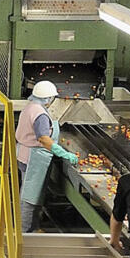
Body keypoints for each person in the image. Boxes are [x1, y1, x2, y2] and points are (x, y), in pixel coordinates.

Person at [15, 80, 79, 233]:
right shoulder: (40, 114)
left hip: (25, 154)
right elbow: (43, 139)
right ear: (48, 98)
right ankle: (25, 233)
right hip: (34, 158)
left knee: (30, 193)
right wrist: (63, 153)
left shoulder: (31, 107)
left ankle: (31, 227)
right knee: (30, 197)